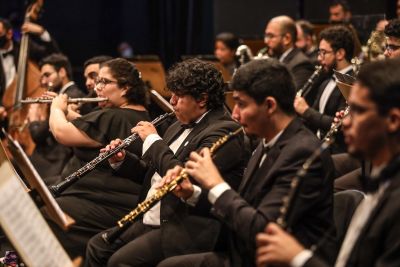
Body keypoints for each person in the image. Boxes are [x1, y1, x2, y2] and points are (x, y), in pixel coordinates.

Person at [156, 59, 334, 267]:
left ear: (269, 105)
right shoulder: (264, 142)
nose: (235, 114)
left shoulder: (303, 153)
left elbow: (263, 230)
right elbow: (244, 204)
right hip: (242, 252)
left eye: (241, 104)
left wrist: (216, 184)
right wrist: (192, 193)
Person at [84, 58, 247, 266]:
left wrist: (153, 141)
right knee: (97, 247)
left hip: (185, 225)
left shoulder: (224, 131)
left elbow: (180, 179)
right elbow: (152, 175)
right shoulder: (179, 123)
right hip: (152, 217)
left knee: (120, 262)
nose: (172, 102)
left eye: (179, 96)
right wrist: (122, 161)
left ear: (202, 99)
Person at [256, 57, 400, 267]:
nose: (346, 123)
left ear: (393, 121)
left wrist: (299, 258)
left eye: (358, 111)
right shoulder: (382, 182)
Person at [45, 58, 151, 258]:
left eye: (104, 82)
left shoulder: (112, 115)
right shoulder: (137, 114)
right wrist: (68, 112)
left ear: (125, 88)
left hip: (102, 203)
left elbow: (60, 133)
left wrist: (56, 108)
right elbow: (93, 128)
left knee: (40, 212)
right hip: (115, 202)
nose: (96, 87)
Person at [294, 25, 354, 154]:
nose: (319, 58)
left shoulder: (352, 83)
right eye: (319, 53)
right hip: (318, 145)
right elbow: (313, 118)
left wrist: (306, 111)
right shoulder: (325, 81)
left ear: (340, 53)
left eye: (323, 52)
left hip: (338, 151)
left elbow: (338, 124)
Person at [27, 53, 85, 180]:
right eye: (41, 77)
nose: (43, 82)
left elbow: (39, 135)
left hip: (57, 162)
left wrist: (34, 120)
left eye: (47, 75)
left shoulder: (69, 96)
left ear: (62, 72)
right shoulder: (63, 95)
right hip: (53, 158)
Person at [264, 15, 314, 89]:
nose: (266, 41)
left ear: (287, 39)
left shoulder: (301, 64)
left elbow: (291, 96)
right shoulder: (275, 58)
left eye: (271, 36)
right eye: (266, 36)